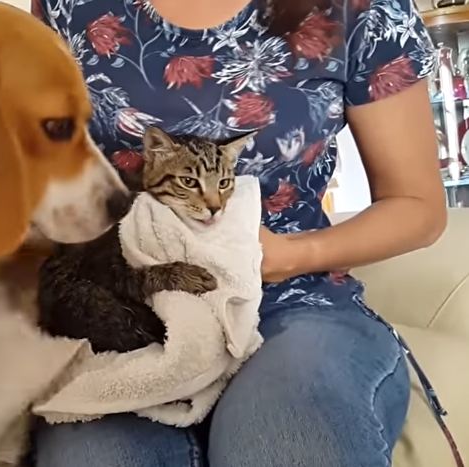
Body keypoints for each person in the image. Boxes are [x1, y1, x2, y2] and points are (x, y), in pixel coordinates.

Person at [31, 0, 447, 465]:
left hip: (294, 303)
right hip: (126, 311)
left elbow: (419, 207)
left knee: (283, 447)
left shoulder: (360, 9)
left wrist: (289, 255)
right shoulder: (67, 7)